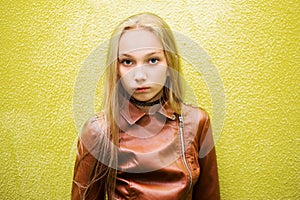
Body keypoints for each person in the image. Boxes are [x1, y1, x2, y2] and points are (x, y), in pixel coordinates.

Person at [72, 12, 220, 200]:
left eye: (152, 60)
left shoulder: (197, 121)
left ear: (169, 64)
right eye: (127, 61)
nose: (140, 75)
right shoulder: (98, 131)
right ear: (116, 70)